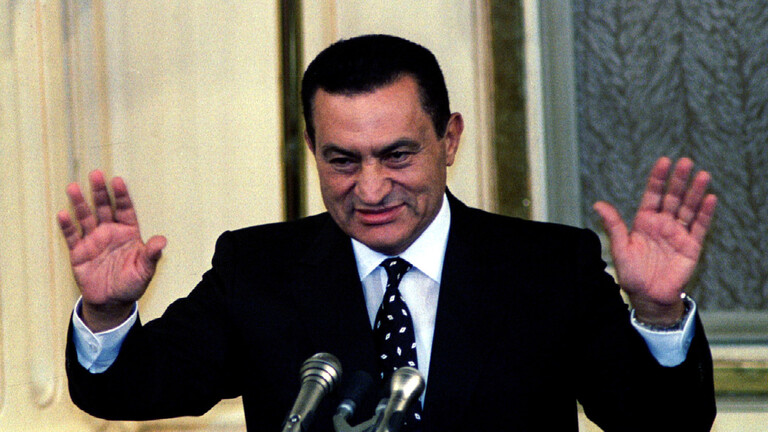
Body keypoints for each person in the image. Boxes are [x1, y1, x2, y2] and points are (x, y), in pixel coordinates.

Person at [60, 34, 717, 431]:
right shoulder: (257, 269)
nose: (371, 190)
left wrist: (658, 314)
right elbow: (126, 389)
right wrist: (108, 312)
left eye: (397, 155)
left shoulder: (548, 267)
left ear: (449, 139)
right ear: (312, 149)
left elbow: (665, 423)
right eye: (343, 161)